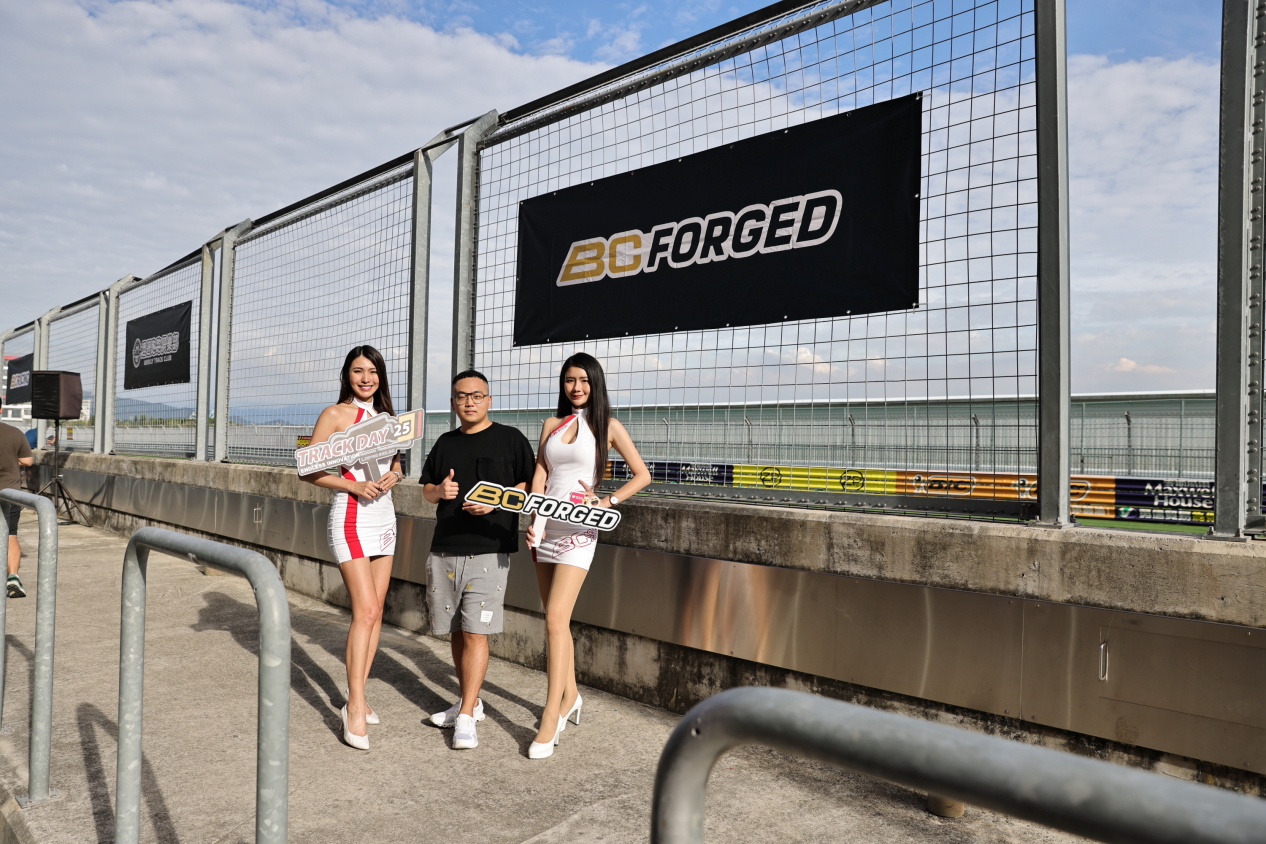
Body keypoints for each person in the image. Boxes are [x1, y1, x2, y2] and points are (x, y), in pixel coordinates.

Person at [525, 353, 650, 759]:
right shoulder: (551, 424)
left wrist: (607, 501)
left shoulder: (608, 426)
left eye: (583, 380)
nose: (576, 387)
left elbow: (642, 474)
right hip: (545, 528)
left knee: (555, 619)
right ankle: (572, 695)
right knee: (555, 621)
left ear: (595, 383)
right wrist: (535, 520)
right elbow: (541, 475)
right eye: (569, 380)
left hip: (580, 530)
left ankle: (550, 716)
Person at [419, 370, 535, 750]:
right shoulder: (445, 442)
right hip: (445, 548)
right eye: (461, 396)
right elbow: (427, 490)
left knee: (475, 632)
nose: (468, 402)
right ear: (453, 402)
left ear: (489, 400)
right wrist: (440, 490)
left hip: (489, 549)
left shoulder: (511, 439)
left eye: (476, 395)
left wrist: (496, 501)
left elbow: (529, 485)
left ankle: (466, 715)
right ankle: (469, 701)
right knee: (456, 629)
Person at [300, 346, 403, 751]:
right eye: (358, 371)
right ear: (347, 375)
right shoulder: (335, 414)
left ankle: (358, 693)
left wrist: (395, 475)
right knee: (366, 611)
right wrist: (352, 485)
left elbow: (396, 462)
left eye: (373, 371)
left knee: (376, 614)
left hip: (385, 518)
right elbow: (307, 470)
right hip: (351, 518)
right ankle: (354, 707)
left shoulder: (387, 418)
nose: (366, 378)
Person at [0, 397, 33, 598]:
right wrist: (12, 460)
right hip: (10, 493)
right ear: (0, 409)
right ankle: (13, 577)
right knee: (10, 534)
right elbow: (27, 461)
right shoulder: (14, 432)